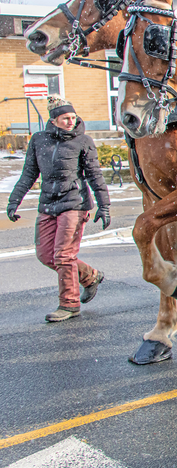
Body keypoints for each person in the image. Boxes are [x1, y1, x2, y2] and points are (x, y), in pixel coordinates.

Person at [7, 96, 111, 322]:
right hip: (48, 204)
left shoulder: (83, 141)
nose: (71, 122)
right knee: (46, 255)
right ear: (53, 120)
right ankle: (90, 277)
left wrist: (104, 205)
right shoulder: (39, 140)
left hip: (75, 203)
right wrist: (14, 201)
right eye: (65, 118)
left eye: (73, 117)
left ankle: (69, 305)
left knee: (64, 256)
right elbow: (28, 174)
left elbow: (95, 176)